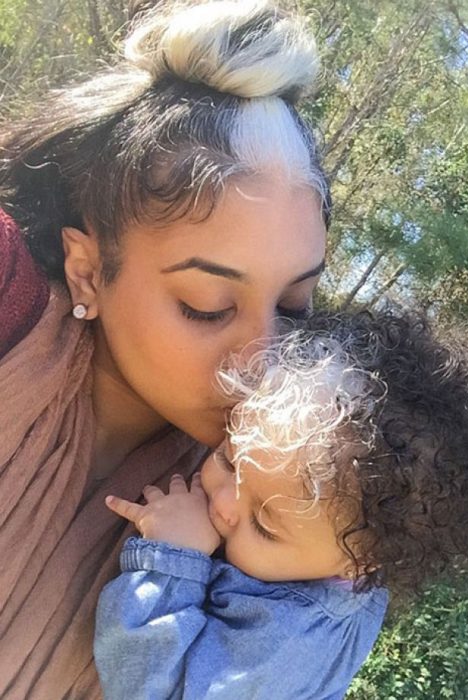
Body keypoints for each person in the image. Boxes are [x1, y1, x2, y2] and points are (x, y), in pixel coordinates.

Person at [0, 1, 329, 697]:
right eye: (206, 305)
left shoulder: (275, 508)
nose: (264, 362)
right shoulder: (11, 308)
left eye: (293, 309)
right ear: (88, 268)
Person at [94, 311, 468, 699]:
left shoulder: (289, 640)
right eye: (228, 459)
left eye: (263, 525)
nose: (223, 504)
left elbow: (149, 690)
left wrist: (172, 561)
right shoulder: (327, 545)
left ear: (359, 563)